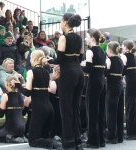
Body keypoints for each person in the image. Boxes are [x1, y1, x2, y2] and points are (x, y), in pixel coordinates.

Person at [46, 13, 84, 150]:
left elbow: (59, 60)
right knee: (76, 108)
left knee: (66, 109)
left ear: (66, 22)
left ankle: (68, 142)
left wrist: (48, 60)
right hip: (79, 74)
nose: (61, 24)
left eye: (61, 22)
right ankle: (78, 141)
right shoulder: (80, 38)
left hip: (68, 74)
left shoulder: (63, 37)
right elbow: (80, 58)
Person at [11, 50, 63, 149]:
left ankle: (53, 143)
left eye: (30, 58)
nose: (30, 60)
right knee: (44, 136)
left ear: (34, 59)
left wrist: (17, 84)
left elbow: (27, 92)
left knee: (33, 140)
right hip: (49, 108)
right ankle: (55, 140)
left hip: (39, 109)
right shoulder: (46, 72)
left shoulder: (31, 72)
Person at [81, 28, 106, 148]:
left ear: (92, 38)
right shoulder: (102, 51)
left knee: (91, 111)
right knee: (100, 111)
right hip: (102, 82)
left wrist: (80, 65)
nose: (85, 39)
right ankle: (101, 139)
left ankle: (93, 141)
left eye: (86, 36)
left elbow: (88, 70)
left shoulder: (89, 52)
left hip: (94, 82)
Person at [0, 75, 27, 143]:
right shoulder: (21, 96)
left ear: (6, 84)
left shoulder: (6, 95)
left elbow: (1, 114)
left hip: (11, 127)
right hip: (22, 127)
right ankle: (21, 136)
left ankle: (12, 139)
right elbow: (23, 112)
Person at [105, 41, 124, 144]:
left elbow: (105, 73)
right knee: (119, 111)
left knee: (111, 111)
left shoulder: (109, 60)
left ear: (110, 50)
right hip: (120, 86)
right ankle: (120, 136)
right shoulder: (120, 60)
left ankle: (112, 136)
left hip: (112, 87)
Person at [121, 40, 136, 140]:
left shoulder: (124, 57)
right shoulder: (134, 57)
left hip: (130, 84)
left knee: (130, 106)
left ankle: (131, 132)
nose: (121, 48)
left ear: (126, 47)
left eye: (122, 46)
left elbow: (122, 71)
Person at [49, 66, 62, 137]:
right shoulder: (67, 82)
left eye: (53, 72)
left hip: (56, 104)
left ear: (57, 73)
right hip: (65, 103)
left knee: (56, 121)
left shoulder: (54, 82)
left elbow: (51, 96)